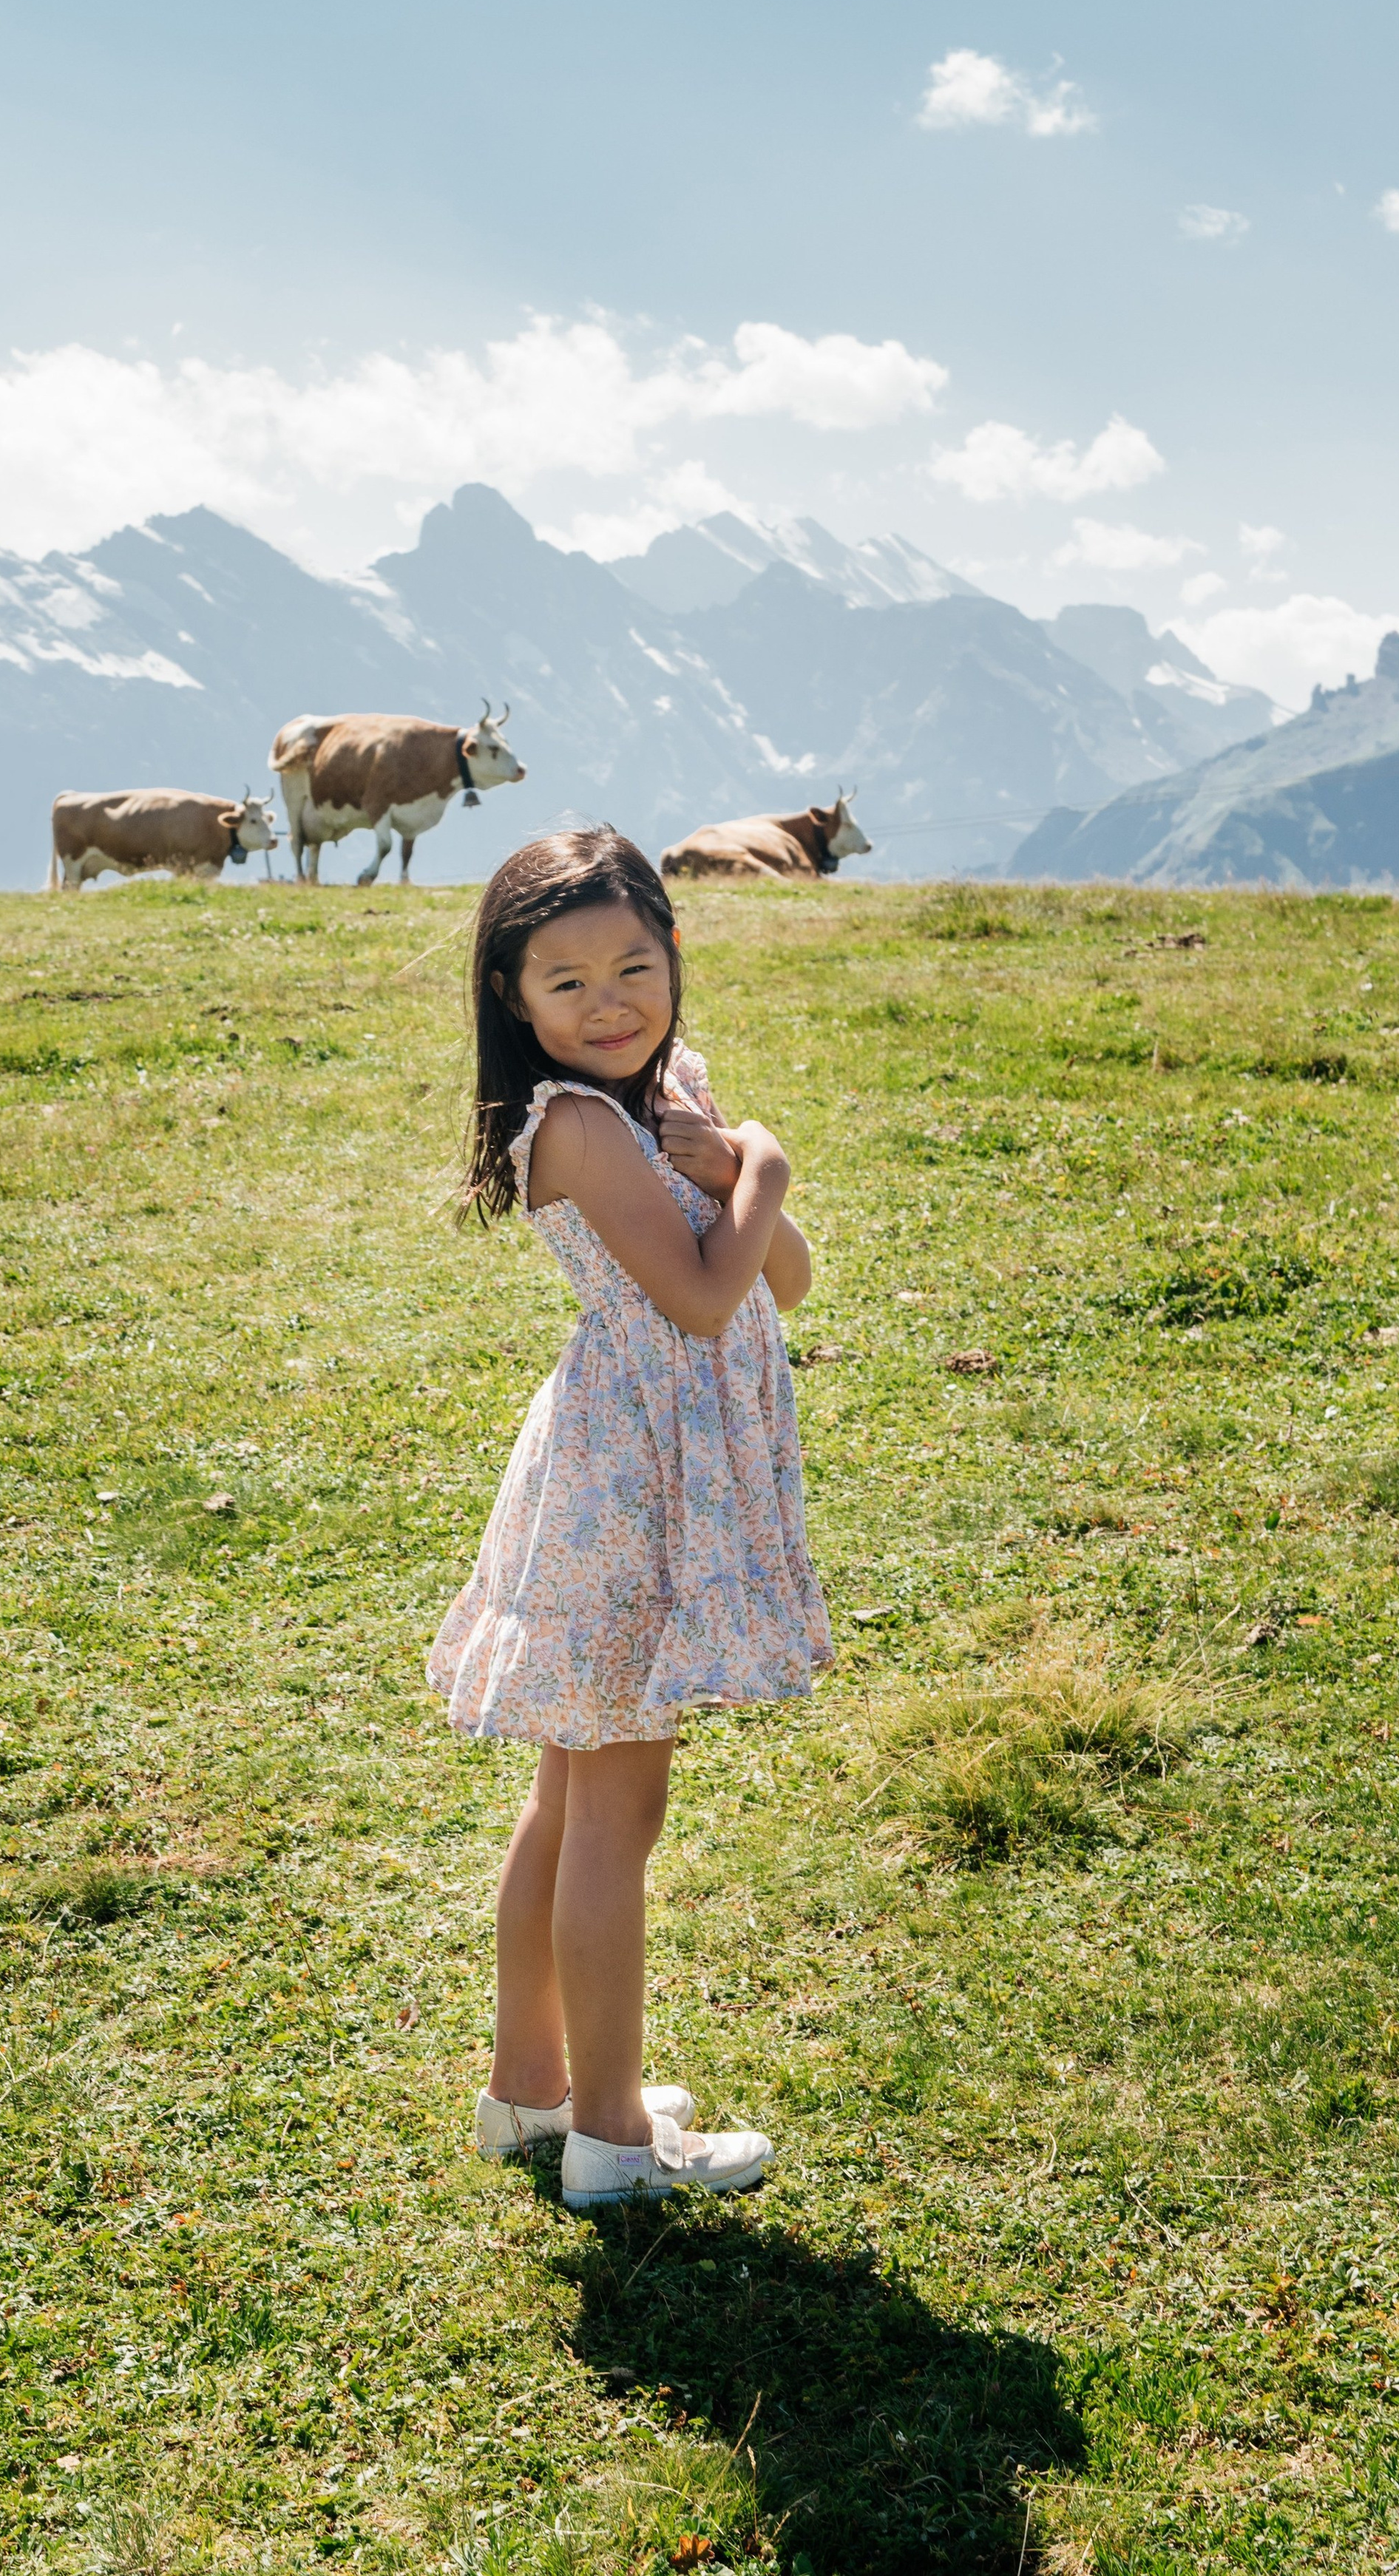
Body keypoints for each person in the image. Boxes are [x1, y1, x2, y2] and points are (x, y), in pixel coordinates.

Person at [427, 827, 831, 2208]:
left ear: (674, 957)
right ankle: (609, 2135)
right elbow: (709, 1297)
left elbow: (791, 1281)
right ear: (512, 1000)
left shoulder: (666, 1096)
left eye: (634, 967)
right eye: (566, 982)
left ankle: (530, 2093)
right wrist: (761, 1158)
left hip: (640, 1466)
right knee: (615, 1809)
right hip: (628, 1483)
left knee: (566, 1798)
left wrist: (727, 1160)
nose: (609, 1003)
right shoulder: (581, 1128)